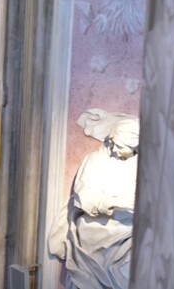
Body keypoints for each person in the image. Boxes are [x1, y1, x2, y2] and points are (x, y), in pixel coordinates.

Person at [48, 112, 140, 289]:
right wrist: (112, 203)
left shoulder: (138, 165)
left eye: (122, 147)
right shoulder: (95, 159)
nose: (115, 149)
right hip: (96, 223)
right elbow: (83, 197)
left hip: (126, 227)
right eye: (115, 144)